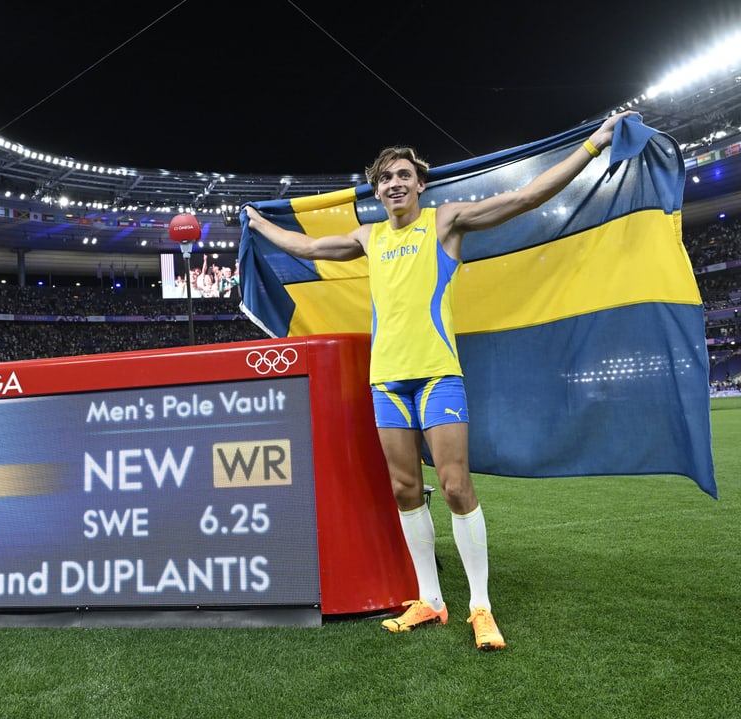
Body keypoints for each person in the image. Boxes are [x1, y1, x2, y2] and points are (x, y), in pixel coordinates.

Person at [245, 111, 636, 651]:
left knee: (454, 487)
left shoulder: (445, 222)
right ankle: (430, 600)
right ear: (377, 190)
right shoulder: (368, 237)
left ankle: (480, 606)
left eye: (403, 175)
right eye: (386, 177)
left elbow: (525, 198)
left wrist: (594, 144)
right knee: (405, 490)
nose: (395, 183)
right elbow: (308, 249)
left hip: (437, 376)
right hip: (387, 381)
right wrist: (258, 225)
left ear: (420, 185)